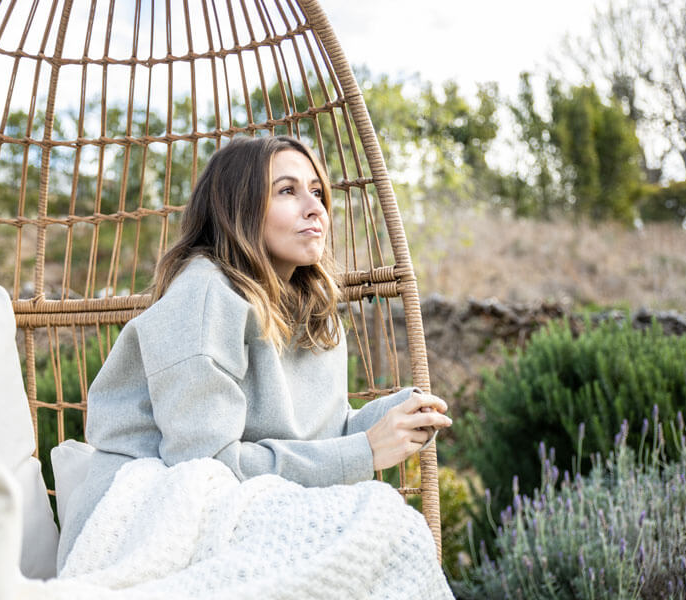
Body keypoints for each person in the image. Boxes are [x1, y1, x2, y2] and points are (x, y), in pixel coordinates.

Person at [56, 134, 453, 576]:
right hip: (147, 514)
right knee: (382, 525)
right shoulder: (203, 296)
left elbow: (320, 439)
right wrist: (363, 451)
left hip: (246, 506)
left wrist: (393, 420)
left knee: (383, 527)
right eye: (288, 190)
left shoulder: (314, 312)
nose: (314, 207)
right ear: (238, 207)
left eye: (317, 191)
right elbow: (206, 468)